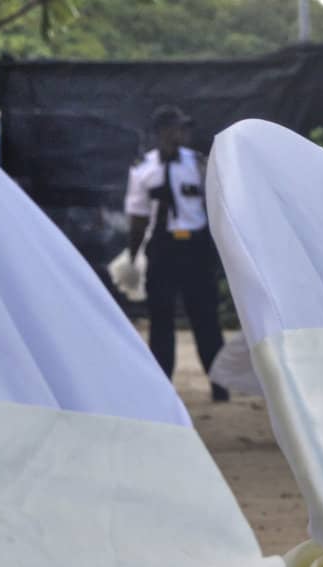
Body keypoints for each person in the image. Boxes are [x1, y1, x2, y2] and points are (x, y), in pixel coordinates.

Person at [120, 104, 227, 400]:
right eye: (176, 128)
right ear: (161, 133)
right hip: (163, 248)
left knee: (205, 318)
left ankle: (220, 387)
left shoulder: (200, 163)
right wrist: (133, 256)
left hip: (195, 246)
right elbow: (138, 217)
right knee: (161, 320)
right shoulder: (143, 169)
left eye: (184, 128)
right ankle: (163, 389)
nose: (182, 133)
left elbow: (215, 204)